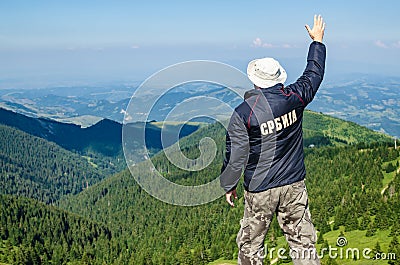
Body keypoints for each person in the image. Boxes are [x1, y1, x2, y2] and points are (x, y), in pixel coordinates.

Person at [220, 15, 326, 265]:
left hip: (260, 189)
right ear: (278, 78)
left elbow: (235, 155)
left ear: (255, 79)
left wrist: (229, 184)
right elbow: (314, 74)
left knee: (251, 245)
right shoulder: (294, 97)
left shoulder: (244, 113)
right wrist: (317, 43)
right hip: (294, 184)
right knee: (302, 243)